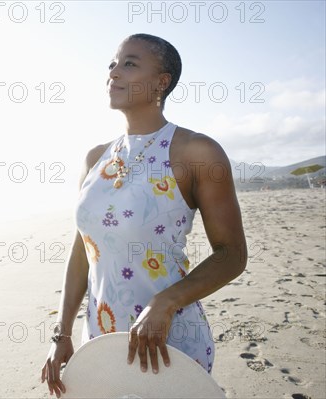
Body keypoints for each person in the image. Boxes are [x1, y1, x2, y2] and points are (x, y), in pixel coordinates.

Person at [40, 33, 248, 398]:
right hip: (102, 342)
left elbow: (232, 254)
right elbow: (82, 254)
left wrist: (165, 302)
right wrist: (63, 333)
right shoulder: (95, 158)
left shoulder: (196, 151)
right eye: (112, 64)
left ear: (161, 81)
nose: (113, 73)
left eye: (129, 64)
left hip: (169, 344)